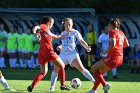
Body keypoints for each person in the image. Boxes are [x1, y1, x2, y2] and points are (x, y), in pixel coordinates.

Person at [48, 18, 95, 92]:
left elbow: (81, 41)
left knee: (81, 68)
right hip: (63, 55)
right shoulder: (63, 33)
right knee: (55, 68)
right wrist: (60, 47)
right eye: (66, 24)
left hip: (72, 54)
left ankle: (94, 82)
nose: (67, 26)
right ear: (64, 25)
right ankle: (51, 87)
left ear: (72, 24)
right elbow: (64, 44)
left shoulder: (75, 32)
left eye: (69, 24)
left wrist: (87, 47)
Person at [27, 16, 70, 92]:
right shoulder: (45, 26)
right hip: (48, 51)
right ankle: (62, 85)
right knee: (62, 65)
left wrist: (63, 35)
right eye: (52, 23)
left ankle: (31, 86)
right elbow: (37, 26)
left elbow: (55, 36)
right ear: (49, 22)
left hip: (41, 52)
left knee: (43, 72)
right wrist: (34, 31)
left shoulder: (46, 31)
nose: (52, 25)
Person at [86, 18, 129, 93]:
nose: (108, 28)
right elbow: (126, 44)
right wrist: (118, 48)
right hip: (120, 59)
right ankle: (93, 90)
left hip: (113, 57)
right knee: (100, 73)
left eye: (108, 26)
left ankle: (105, 85)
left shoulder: (112, 32)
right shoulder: (121, 33)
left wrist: (104, 52)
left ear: (111, 26)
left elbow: (113, 44)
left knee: (93, 68)